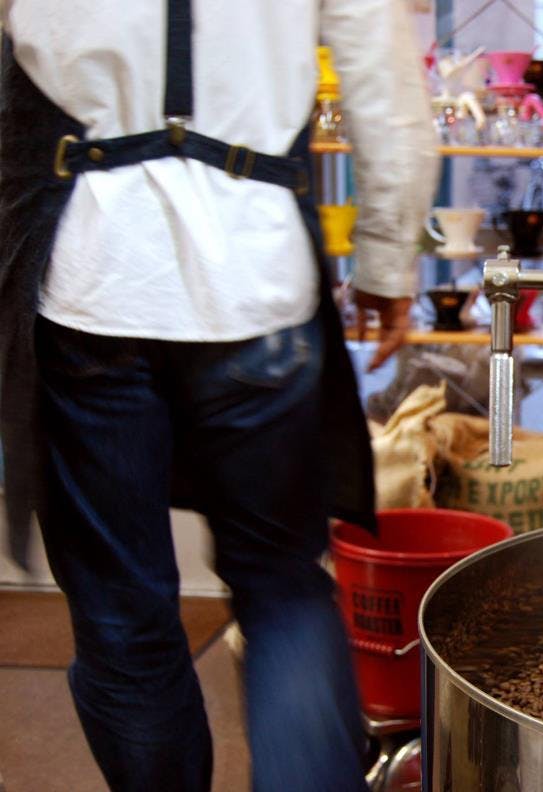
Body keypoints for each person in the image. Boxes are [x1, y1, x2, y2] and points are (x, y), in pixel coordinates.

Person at [0, 1, 438, 789]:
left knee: (121, 613)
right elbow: (385, 88)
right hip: (256, 285)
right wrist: (385, 262)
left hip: (93, 284)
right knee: (281, 589)